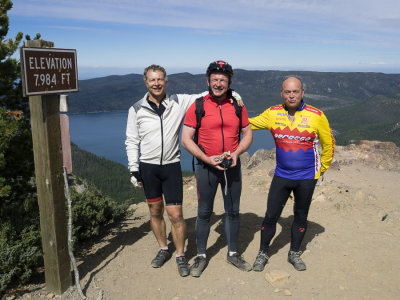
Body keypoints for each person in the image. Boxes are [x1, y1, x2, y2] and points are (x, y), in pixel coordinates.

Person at [125, 64, 242, 277]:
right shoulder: (136, 109)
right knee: (154, 211)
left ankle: (180, 255)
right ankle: (163, 248)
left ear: (166, 80)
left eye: (160, 79)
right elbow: (131, 140)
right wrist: (134, 168)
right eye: (152, 80)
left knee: (176, 214)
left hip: (171, 165)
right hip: (148, 166)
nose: (157, 83)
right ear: (146, 82)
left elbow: (208, 93)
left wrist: (234, 93)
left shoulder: (178, 102)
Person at [249, 76, 335, 272]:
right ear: (281, 93)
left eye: (295, 91)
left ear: (302, 93)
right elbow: (248, 124)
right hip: (282, 175)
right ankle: (263, 252)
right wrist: (231, 108)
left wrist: (321, 169)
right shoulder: (272, 113)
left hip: (306, 177)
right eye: (287, 92)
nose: (291, 95)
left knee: (300, 215)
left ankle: (294, 253)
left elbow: (329, 143)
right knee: (271, 216)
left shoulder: (317, 115)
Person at [181, 60, 253, 277]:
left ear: (229, 81)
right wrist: (206, 158)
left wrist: (237, 153)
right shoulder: (199, 105)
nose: (218, 83)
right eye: (215, 79)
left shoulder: (238, 105)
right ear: (208, 81)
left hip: (231, 166)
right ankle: (201, 256)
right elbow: (186, 139)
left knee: (232, 211)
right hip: (206, 167)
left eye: (223, 79)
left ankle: (233, 253)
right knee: (204, 212)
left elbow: (248, 134)